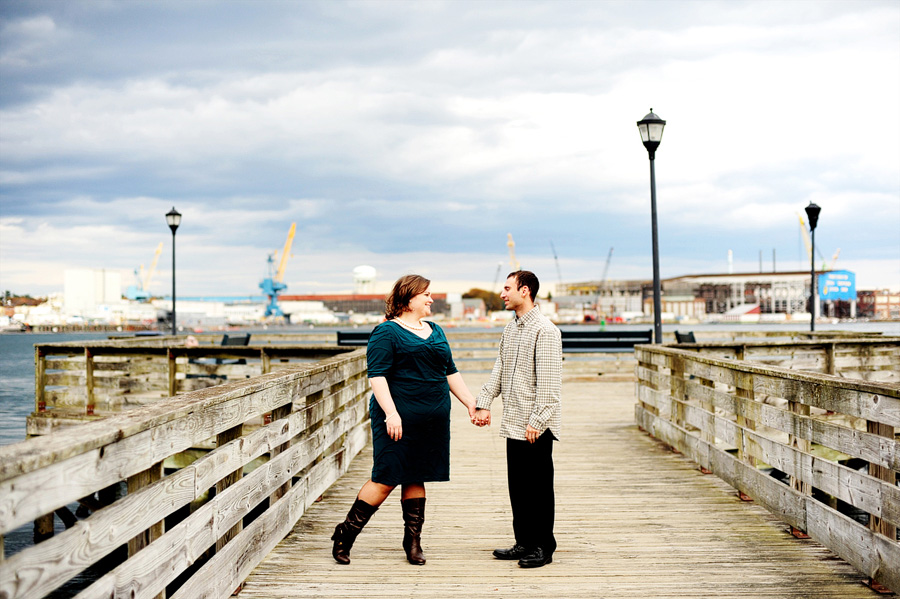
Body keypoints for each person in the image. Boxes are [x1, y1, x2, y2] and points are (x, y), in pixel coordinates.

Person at [331, 274, 479, 565]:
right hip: (396, 418)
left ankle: (412, 542)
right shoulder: (386, 332)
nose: (431, 299)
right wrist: (391, 413)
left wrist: (471, 404)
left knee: (417, 473)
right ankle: (345, 534)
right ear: (408, 298)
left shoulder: (435, 330)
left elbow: (450, 371)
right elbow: (377, 376)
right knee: (386, 477)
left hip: (432, 417)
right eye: (426, 294)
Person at [474, 270, 562, 568]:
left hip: (535, 426)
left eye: (507, 288)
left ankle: (543, 547)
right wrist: (484, 402)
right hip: (513, 423)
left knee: (538, 489)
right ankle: (524, 542)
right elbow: (500, 369)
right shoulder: (511, 329)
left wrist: (537, 422)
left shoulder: (545, 331)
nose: (502, 293)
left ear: (525, 291)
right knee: (519, 488)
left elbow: (550, 387)